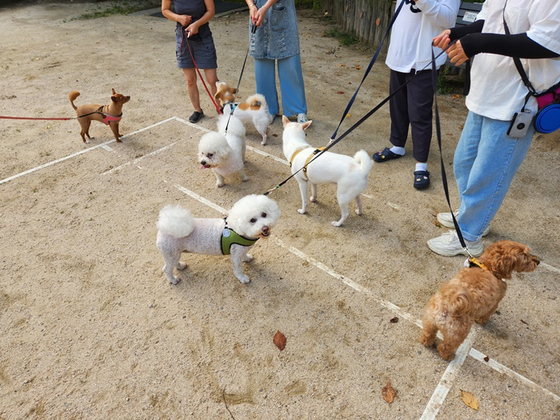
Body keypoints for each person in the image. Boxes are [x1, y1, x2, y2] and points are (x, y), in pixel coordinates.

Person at [427, 0, 560, 256]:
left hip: (516, 100)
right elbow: (488, 21)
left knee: (488, 175)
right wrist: (459, 33)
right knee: (464, 163)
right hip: (486, 91)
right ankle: (473, 215)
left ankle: (468, 236)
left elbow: (548, 42)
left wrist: (478, 43)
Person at [372, 0, 461, 190]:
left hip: (424, 58)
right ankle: (398, 145)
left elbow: (449, 18)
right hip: (400, 53)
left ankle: (421, 164)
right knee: (398, 106)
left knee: (419, 113)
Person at [244, 0, 308, 123]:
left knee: (290, 65)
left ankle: (298, 110)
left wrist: (266, 7)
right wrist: (252, 6)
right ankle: (267, 109)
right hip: (257, 13)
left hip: (282, 12)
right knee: (262, 67)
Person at [162, 0, 219, 123]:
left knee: (212, 79)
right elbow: (165, 10)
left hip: (203, 36)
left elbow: (211, 11)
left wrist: (197, 24)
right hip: (183, 38)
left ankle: (221, 107)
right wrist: (178, 18)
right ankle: (197, 110)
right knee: (190, 80)